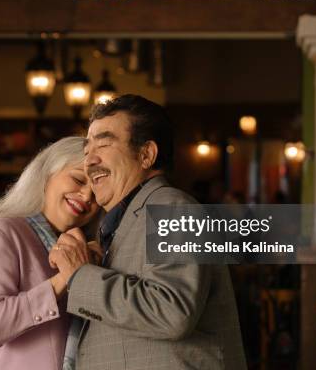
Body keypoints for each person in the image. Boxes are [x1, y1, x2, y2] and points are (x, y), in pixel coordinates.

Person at [49, 95, 247, 370]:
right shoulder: (124, 221)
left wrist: (80, 275)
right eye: (86, 150)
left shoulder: (174, 208)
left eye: (104, 144)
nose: (90, 160)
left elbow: (171, 312)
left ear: (146, 155)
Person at [0, 136, 101, 370]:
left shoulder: (88, 249)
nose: (87, 196)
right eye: (79, 179)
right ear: (48, 173)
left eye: (97, 193)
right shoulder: (5, 231)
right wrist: (65, 277)